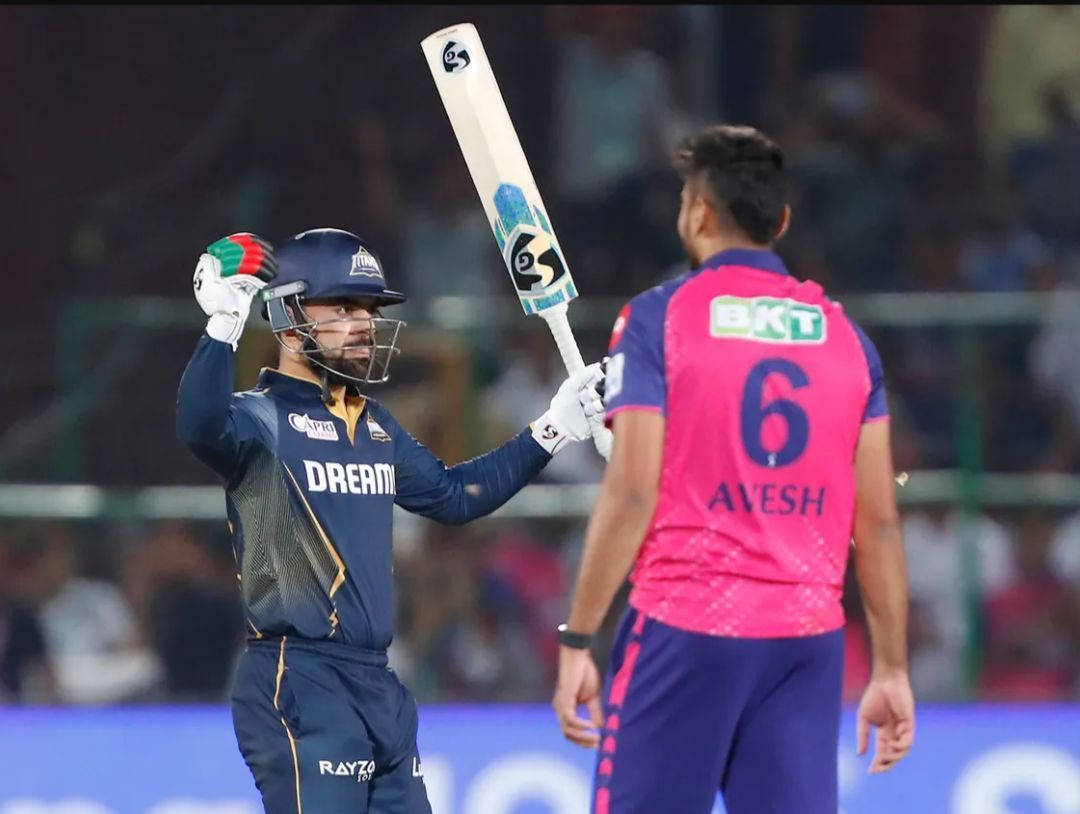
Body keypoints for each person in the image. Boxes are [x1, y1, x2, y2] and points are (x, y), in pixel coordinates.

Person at [176, 228, 605, 813]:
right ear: (289, 314)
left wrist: (553, 428)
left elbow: (455, 498)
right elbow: (199, 425)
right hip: (299, 677)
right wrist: (222, 324)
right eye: (345, 307)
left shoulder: (372, 423)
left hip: (377, 683)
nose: (364, 323)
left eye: (370, 310)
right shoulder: (259, 420)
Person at [551, 125, 914, 814]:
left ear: (697, 213)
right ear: (780, 221)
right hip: (806, 642)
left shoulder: (660, 319)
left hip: (685, 630)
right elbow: (881, 523)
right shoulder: (847, 338)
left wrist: (578, 637)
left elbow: (631, 495)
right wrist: (892, 667)